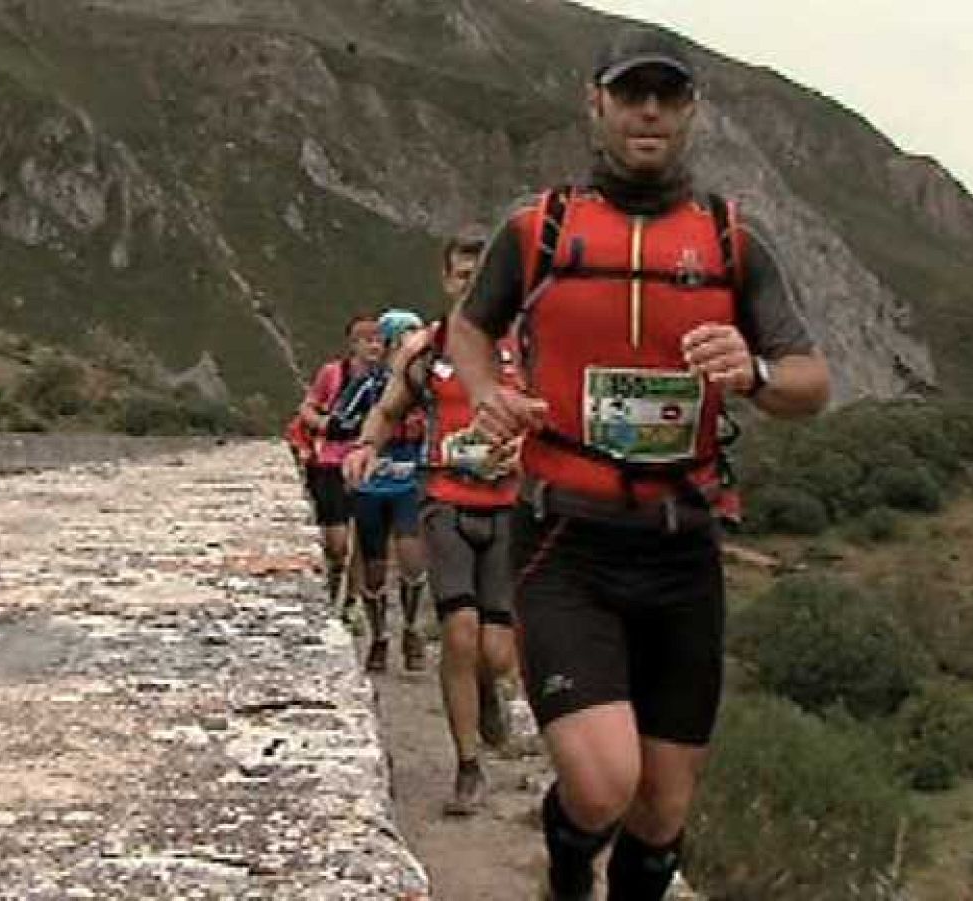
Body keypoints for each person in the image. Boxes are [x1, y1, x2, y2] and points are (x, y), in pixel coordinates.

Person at [446, 25, 831, 901]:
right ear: (598, 104)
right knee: (603, 782)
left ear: (692, 110)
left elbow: (811, 381)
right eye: (631, 94)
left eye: (667, 95)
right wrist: (488, 390)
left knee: (661, 810)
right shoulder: (537, 229)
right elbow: (472, 324)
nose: (648, 111)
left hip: (681, 547)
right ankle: (567, 861)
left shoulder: (734, 241)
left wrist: (756, 371)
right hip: (565, 541)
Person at [343, 226, 520, 817]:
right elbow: (388, 409)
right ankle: (467, 766)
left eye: (484, 277)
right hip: (443, 502)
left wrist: (533, 449)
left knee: (496, 652)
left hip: (511, 510)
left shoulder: (530, 348)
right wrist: (366, 446)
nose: (474, 287)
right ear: (448, 280)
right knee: (461, 633)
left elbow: (565, 416)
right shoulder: (427, 350)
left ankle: (488, 687)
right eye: (464, 276)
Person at [342, 308, 430, 673]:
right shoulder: (370, 383)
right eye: (405, 339)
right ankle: (379, 635)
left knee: (412, 560)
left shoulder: (427, 385)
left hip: (409, 482)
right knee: (374, 568)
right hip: (372, 487)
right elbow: (342, 419)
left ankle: (411, 629)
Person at [295, 314, 385, 607]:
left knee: (365, 536)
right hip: (331, 462)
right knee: (337, 541)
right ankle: (334, 583)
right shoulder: (333, 373)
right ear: (353, 344)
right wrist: (325, 425)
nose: (374, 345)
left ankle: (350, 601)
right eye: (366, 339)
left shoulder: (390, 379)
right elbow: (307, 408)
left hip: (369, 461)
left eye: (378, 339)